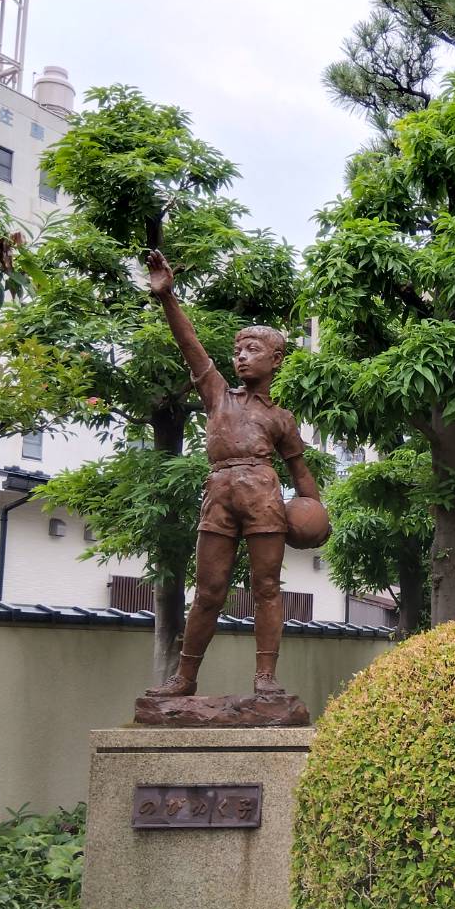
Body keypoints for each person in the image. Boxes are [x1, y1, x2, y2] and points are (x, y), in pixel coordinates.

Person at [140, 249, 321, 699]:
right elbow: (190, 346)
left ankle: (265, 679)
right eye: (238, 350)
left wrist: (317, 512)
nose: (241, 357)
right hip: (219, 491)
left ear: (276, 360)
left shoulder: (281, 417)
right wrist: (168, 298)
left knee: (265, 587)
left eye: (253, 350)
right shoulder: (219, 395)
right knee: (209, 591)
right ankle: (184, 678)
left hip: (263, 494)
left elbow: (300, 473)